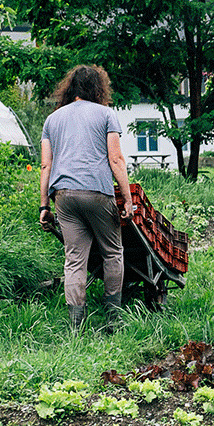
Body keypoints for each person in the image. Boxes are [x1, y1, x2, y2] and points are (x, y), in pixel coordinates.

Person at [39, 65, 132, 330]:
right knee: (112, 253)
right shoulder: (106, 114)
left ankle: (75, 325)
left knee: (74, 260)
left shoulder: (52, 120)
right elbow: (116, 159)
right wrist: (127, 199)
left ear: (70, 88)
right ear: (98, 88)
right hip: (97, 193)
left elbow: (46, 166)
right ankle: (113, 318)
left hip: (64, 197)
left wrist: (44, 206)